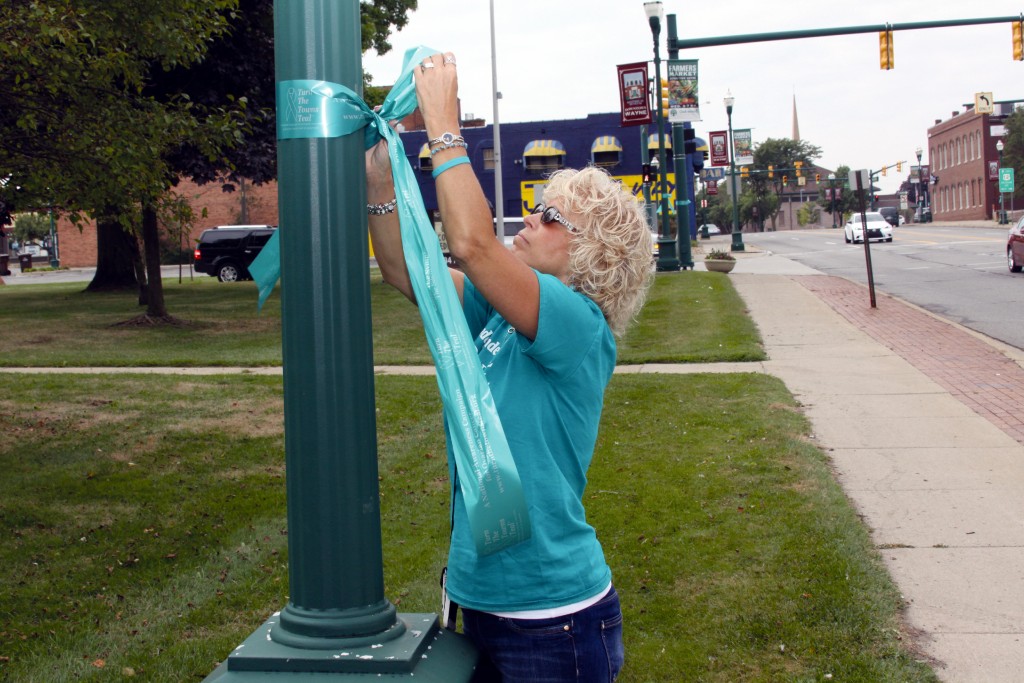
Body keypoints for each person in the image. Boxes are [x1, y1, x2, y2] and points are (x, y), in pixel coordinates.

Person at [365, 50, 654, 683]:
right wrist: (382, 184)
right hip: (488, 603)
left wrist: (444, 124)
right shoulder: (501, 314)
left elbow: (472, 245)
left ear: (593, 252)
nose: (532, 217)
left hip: (557, 620)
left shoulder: (578, 324)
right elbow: (403, 273)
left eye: (552, 217)